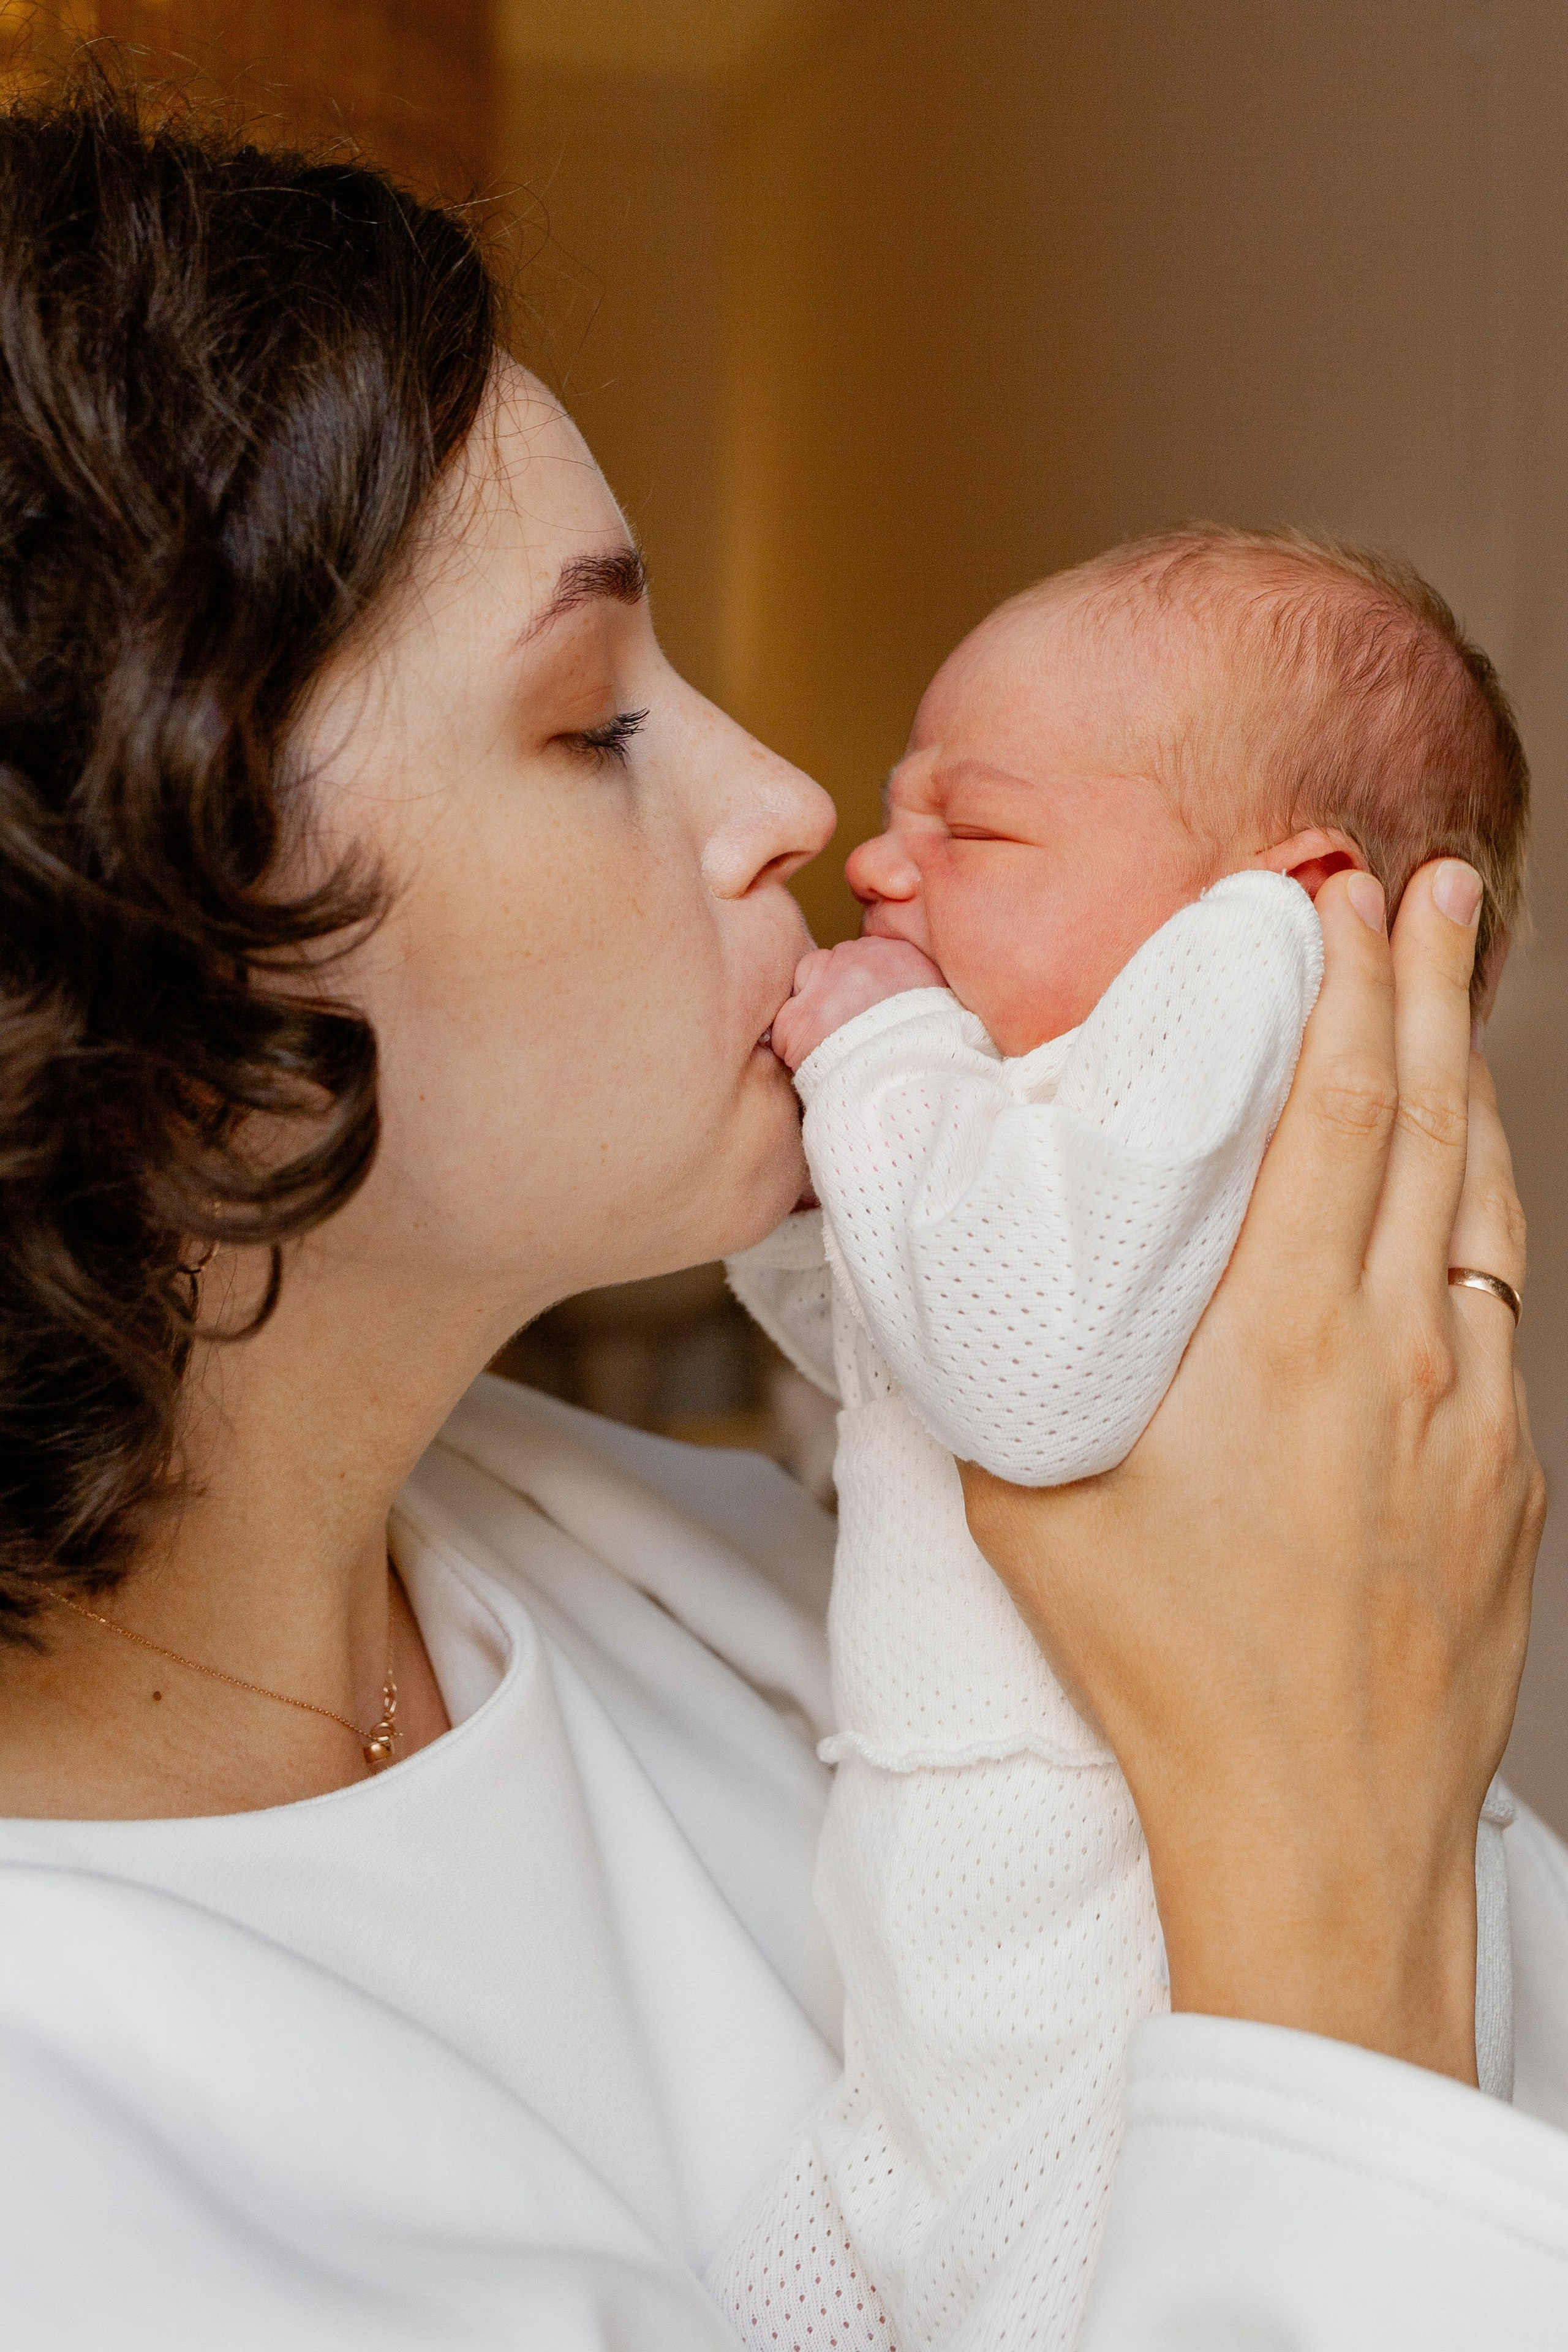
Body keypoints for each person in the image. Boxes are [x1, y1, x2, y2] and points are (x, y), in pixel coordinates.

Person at [0, 75, 1561, 2350]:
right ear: (149, 968)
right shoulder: (69, 2193)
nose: (793, 803)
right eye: (590, 722)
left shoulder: (718, 1565)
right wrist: (1329, 1889)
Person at [711, 532, 1527, 2350]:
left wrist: (883, 1063)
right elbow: (892, 1353)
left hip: (1099, 1951)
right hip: (961, 1936)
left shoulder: (1236, 987)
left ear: (1291, 898)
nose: (877, 862)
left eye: (975, 829)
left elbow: (1025, 1374)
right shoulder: (1081, 1135)